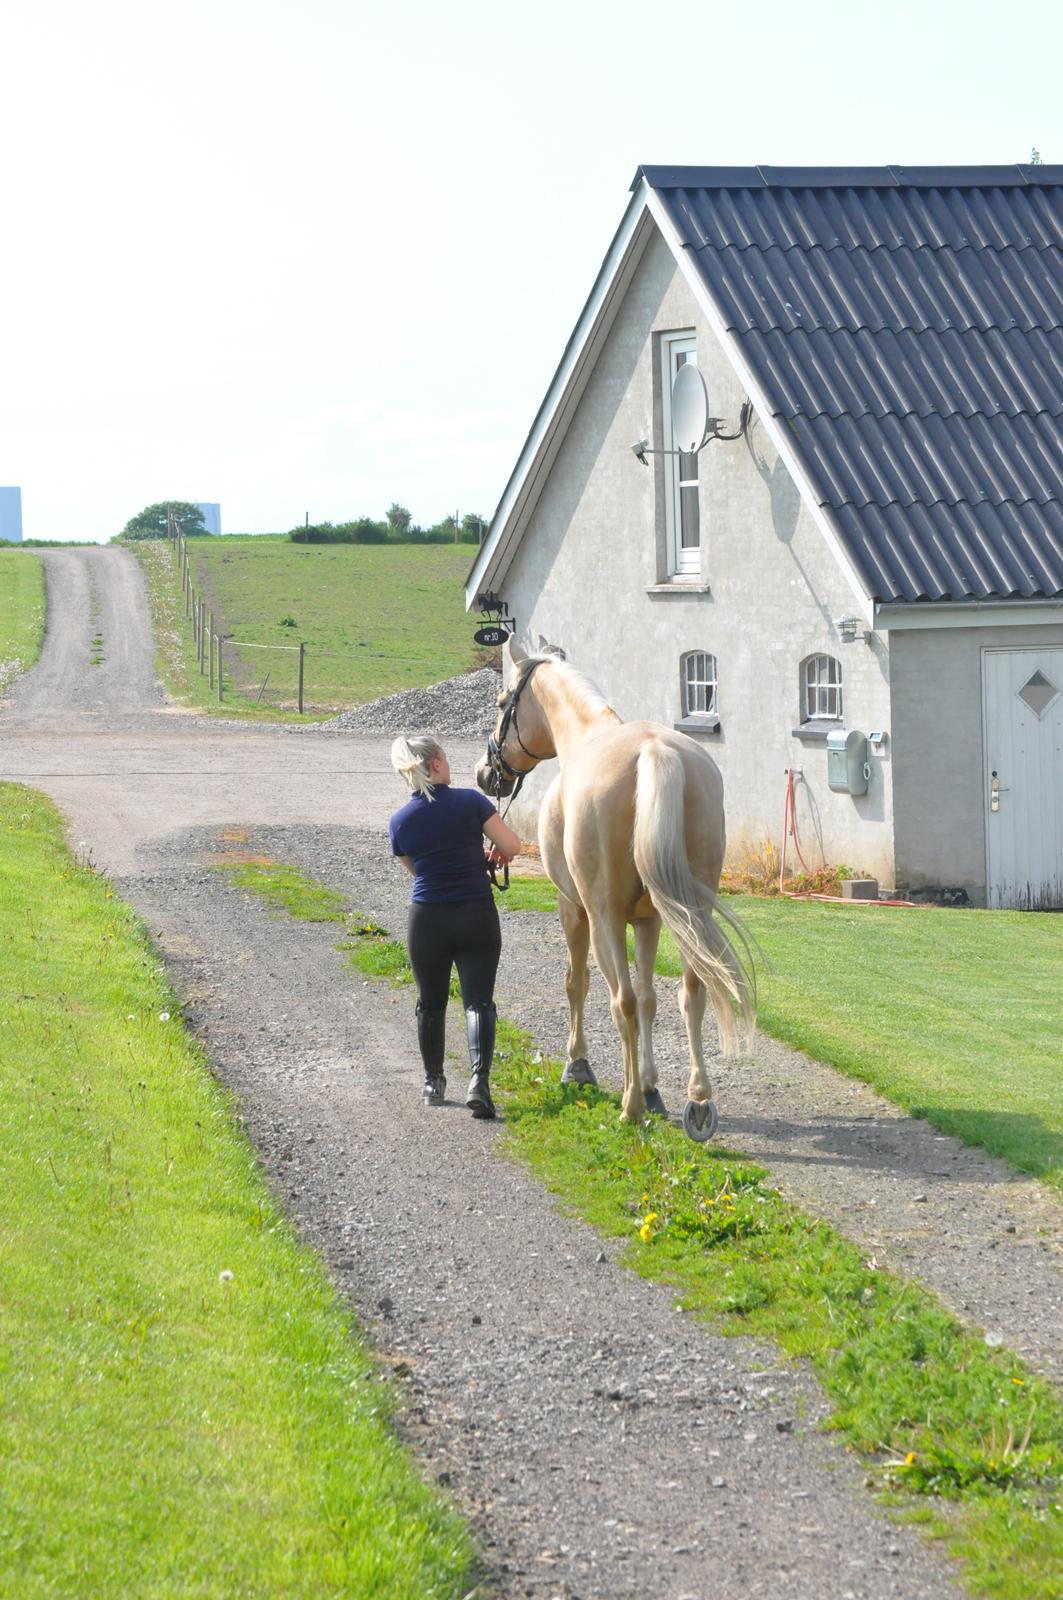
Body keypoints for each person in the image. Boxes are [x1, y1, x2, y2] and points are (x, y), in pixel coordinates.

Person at [388, 734, 521, 1117]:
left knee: (430, 1003)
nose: (450, 766)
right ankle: (479, 1082)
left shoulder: (399, 822)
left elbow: (417, 872)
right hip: (477, 914)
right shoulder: (471, 802)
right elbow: (511, 846)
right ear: (434, 765)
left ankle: (434, 1081)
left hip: (428, 918)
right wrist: (487, 854)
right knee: (478, 1001)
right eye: (445, 759)